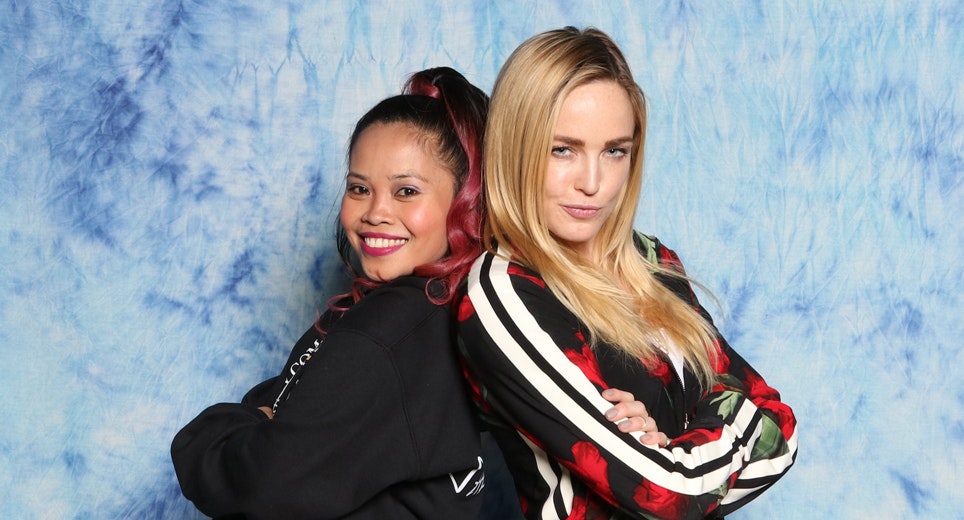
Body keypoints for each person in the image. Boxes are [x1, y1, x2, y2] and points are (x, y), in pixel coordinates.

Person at [170, 65, 650, 520]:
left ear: (465, 202)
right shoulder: (428, 316)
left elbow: (265, 484)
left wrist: (215, 433)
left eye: (406, 191)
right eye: (359, 189)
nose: (375, 213)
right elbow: (294, 406)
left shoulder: (389, 333)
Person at [456, 27, 798, 520]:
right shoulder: (503, 293)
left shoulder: (651, 261)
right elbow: (670, 492)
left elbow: (781, 431)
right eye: (562, 149)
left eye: (614, 150)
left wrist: (674, 448)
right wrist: (717, 434)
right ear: (516, 147)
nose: (592, 182)